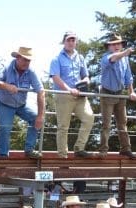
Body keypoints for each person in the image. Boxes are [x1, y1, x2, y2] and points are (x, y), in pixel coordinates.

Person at [0, 46, 45, 159]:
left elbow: (41, 92)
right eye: (25, 59)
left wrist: (41, 116)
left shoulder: (31, 72)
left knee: (36, 119)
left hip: (21, 105)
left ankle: (29, 150)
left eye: (29, 60)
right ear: (17, 57)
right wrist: (6, 86)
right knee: (5, 128)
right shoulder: (5, 67)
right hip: (4, 103)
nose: (27, 63)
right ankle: (3, 156)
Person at [49, 31, 94, 159]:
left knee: (89, 118)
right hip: (63, 95)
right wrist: (69, 89)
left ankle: (79, 148)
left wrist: (86, 81)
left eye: (73, 40)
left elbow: (85, 75)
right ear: (64, 42)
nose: (71, 42)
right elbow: (55, 77)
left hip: (80, 95)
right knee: (63, 126)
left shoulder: (80, 58)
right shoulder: (56, 58)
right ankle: (63, 156)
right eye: (68, 40)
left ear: (76, 42)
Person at [98, 33, 136, 159]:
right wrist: (124, 53)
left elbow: (128, 77)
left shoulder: (125, 58)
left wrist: (131, 91)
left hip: (120, 94)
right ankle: (103, 150)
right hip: (107, 93)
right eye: (113, 44)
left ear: (121, 45)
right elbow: (113, 59)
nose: (116, 46)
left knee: (122, 123)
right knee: (106, 124)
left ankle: (126, 149)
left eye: (118, 44)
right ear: (109, 46)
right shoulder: (105, 57)